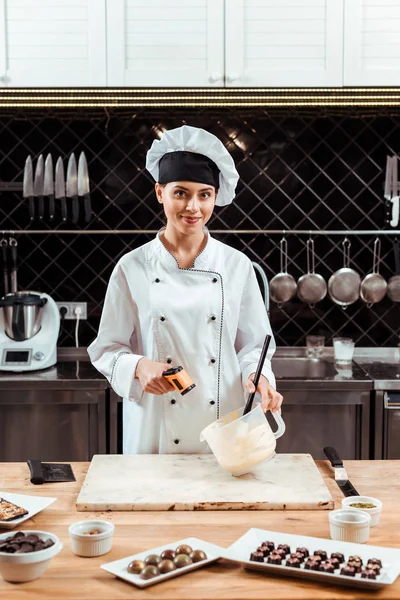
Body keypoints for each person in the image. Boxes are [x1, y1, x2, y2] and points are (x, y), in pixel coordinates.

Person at [88, 125, 283, 454]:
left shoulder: (237, 267)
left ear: (215, 197)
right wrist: (138, 366)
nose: (193, 206)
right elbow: (107, 350)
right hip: (155, 426)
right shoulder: (132, 267)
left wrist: (259, 377)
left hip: (223, 425)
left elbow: (253, 346)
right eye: (181, 192)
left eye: (204, 195)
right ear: (160, 192)